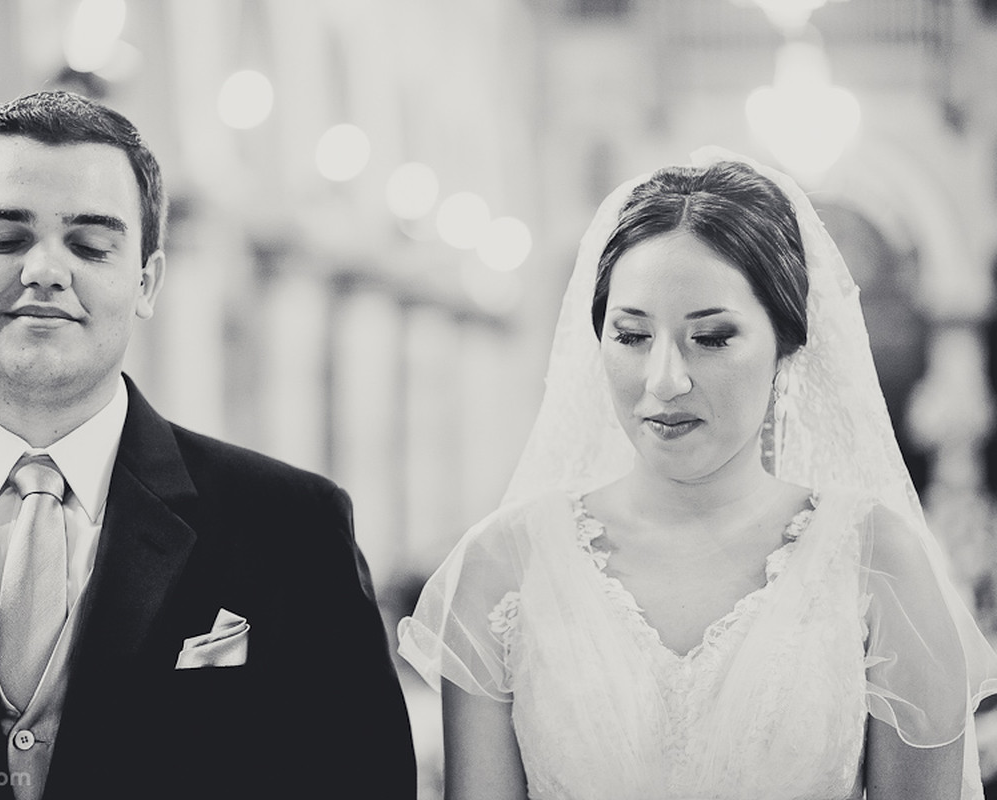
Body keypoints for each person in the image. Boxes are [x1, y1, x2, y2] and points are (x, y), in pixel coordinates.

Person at [0, 91, 416, 800]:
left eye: (90, 245)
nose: (45, 270)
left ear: (147, 281)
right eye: (4, 237)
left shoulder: (291, 527)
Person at [398, 148, 997, 799]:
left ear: (788, 345)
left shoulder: (880, 562)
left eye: (710, 338)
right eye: (631, 336)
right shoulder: (501, 569)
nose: (664, 381)